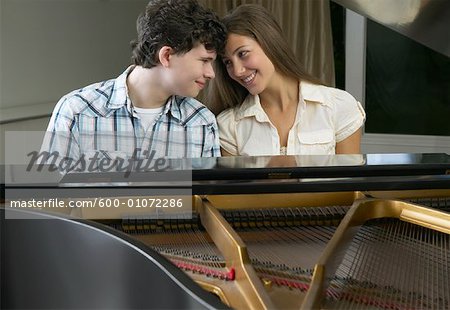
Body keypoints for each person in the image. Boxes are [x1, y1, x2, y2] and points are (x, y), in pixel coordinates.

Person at [40, 0, 226, 172]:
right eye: (204, 60)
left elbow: (206, 200)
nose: (211, 73)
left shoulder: (202, 123)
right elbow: (48, 197)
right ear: (166, 56)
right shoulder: (76, 112)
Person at [205, 4, 366, 156]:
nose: (237, 71)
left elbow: (349, 184)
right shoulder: (229, 126)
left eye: (243, 53)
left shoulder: (339, 107)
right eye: (228, 62)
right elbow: (234, 186)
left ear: (269, 42)